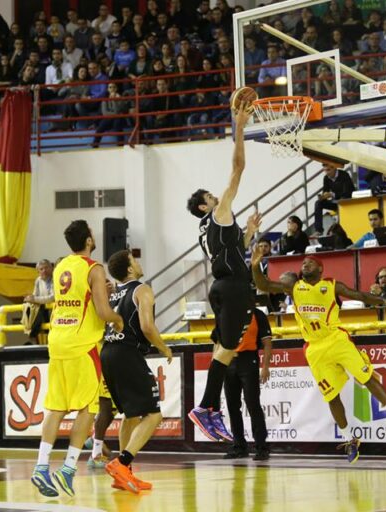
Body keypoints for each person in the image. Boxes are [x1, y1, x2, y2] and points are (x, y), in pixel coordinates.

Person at [251, 249, 386, 463]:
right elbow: (264, 285)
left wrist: (383, 302)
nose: (305, 265)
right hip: (315, 348)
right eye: (303, 262)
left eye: (310, 262)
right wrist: (254, 265)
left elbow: (359, 295)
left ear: (320, 268)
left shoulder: (332, 285)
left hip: (336, 340)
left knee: (366, 377)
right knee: (331, 396)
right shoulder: (295, 287)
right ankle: (349, 439)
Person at [185, 100, 261, 443]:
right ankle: (204, 407)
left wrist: (246, 233)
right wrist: (240, 128)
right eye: (211, 196)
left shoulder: (207, 229)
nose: (218, 196)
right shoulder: (218, 213)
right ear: (205, 206)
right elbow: (239, 168)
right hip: (231, 288)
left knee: (227, 348)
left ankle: (208, 407)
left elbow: (230, 253)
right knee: (228, 348)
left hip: (226, 286)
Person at [31, 220, 123, 498]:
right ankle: (69, 468)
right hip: (83, 345)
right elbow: (104, 313)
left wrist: (100, 295)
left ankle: (41, 466)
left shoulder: (61, 267)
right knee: (88, 409)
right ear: (88, 240)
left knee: (56, 407)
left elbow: (77, 300)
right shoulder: (94, 268)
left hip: (57, 342)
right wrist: (119, 320)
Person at [101, 250, 173, 493]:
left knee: (130, 416)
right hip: (126, 352)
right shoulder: (142, 289)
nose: (139, 263)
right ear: (130, 269)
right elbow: (147, 326)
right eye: (135, 260)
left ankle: (124, 475)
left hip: (108, 352)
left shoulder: (113, 293)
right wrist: (164, 348)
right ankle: (122, 464)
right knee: (153, 415)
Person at [222, 307, 272, 461]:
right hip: (228, 360)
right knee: (232, 405)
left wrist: (265, 367)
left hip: (248, 360)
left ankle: (261, 447)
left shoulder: (257, 314)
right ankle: (239, 446)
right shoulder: (227, 312)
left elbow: (267, 342)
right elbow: (219, 341)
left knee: (253, 404)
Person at [313, 165, 355, 235]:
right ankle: (318, 230)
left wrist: (332, 194)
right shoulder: (326, 178)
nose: (327, 173)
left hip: (347, 201)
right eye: (325, 170)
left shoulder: (344, 175)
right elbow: (325, 191)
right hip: (335, 202)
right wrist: (323, 196)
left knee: (343, 199)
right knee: (318, 203)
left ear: (334, 168)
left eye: (328, 170)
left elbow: (347, 193)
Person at [24, 259, 54, 344]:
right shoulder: (38, 280)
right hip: (43, 306)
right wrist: (30, 298)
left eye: (46, 268)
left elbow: (53, 297)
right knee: (28, 305)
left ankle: (34, 334)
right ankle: (32, 333)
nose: (44, 271)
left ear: (51, 268)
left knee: (38, 307)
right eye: (41, 269)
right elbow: (35, 295)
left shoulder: (54, 278)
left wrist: (35, 299)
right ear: (38, 271)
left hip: (54, 308)